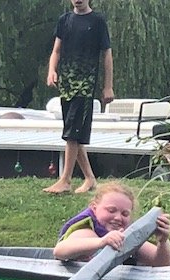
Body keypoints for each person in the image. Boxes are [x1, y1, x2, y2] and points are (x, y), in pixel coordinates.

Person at [44, 0, 114, 194]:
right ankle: (90, 178)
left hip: (85, 85)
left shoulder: (98, 21)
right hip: (66, 84)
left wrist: (108, 86)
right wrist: (52, 70)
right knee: (72, 133)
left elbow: (107, 54)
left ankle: (65, 180)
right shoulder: (64, 20)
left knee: (72, 133)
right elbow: (56, 50)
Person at [53, 181, 170, 267]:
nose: (117, 217)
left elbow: (161, 263)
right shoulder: (85, 230)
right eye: (111, 210)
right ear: (94, 208)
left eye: (125, 214)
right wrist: (101, 242)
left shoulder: (126, 236)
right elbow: (60, 251)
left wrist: (162, 241)